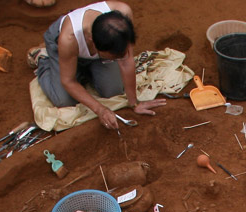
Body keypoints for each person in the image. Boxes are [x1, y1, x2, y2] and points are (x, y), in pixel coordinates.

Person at [28, 2, 165, 130]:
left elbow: (126, 60)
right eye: (114, 57)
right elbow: (68, 81)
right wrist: (100, 109)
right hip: (64, 47)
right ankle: (42, 57)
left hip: (94, 52)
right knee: (64, 100)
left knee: (113, 91)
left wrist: (134, 103)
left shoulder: (123, 18)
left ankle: (83, 69)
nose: (119, 59)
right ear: (92, 42)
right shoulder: (68, 38)